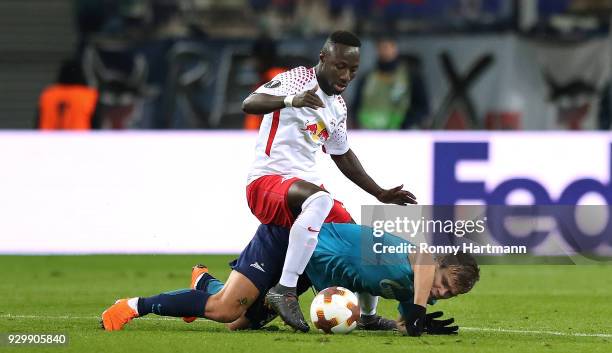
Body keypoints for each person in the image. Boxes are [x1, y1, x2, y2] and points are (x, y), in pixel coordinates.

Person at [241, 30, 417, 332]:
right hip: (266, 182)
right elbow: (250, 102)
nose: (346, 75)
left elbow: (342, 155)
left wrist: (380, 193)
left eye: (353, 70)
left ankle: (367, 316)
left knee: (356, 237)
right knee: (320, 199)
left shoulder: (337, 106)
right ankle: (285, 289)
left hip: (301, 189)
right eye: (340, 66)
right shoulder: (298, 79)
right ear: (323, 59)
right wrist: (291, 100)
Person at [101, 223, 479, 336]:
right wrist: (414, 310)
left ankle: (205, 283)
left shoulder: (410, 290)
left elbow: (378, 299)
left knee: (238, 323)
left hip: (305, 269)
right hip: (291, 240)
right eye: (445, 282)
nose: (441, 293)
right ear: (441, 267)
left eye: (449, 294)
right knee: (223, 311)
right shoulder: (418, 260)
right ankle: (134, 305)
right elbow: (426, 257)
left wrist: (395, 320)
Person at [352, 37, 429, 129]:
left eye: (388, 46)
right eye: (381, 47)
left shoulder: (411, 77)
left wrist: (404, 125)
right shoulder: (367, 78)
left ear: (395, 48)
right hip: (370, 133)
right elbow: (356, 107)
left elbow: (422, 108)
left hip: (402, 134)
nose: (384, 51)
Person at [37, 59, 101, 130]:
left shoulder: (48, 95)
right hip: (79, 139)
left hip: (48, 140)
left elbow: (38, 122)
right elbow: (96, 125)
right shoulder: (89, 96)